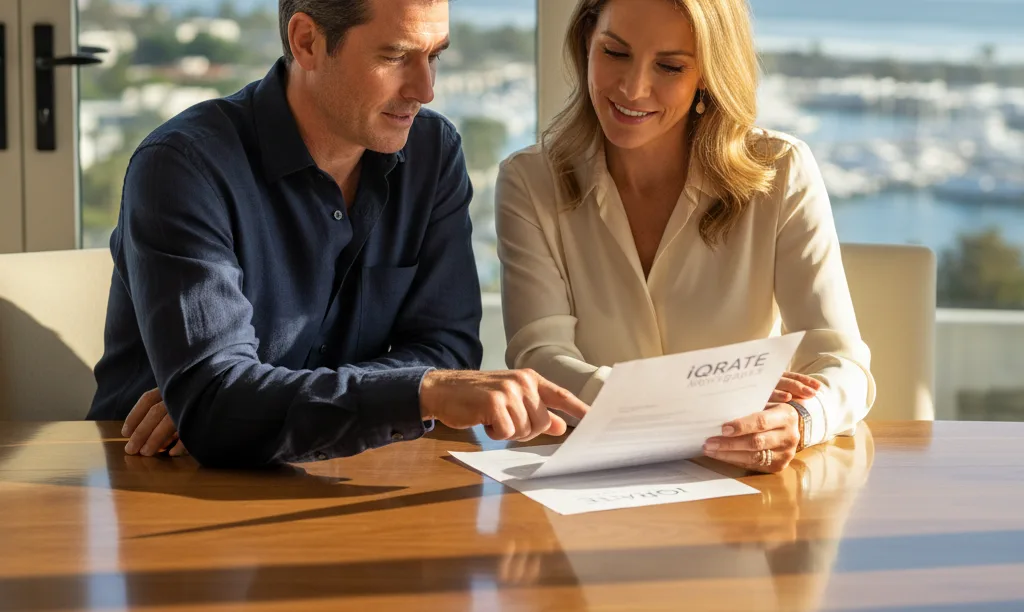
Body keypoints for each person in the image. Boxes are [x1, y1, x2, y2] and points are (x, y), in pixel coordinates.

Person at [87, 0, 588, 468]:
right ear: (306, 41)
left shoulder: (432, 154)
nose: (425, 89)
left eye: (434, 56)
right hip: (159, 477)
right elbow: (218, 405)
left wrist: (257, 403)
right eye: (394, 56)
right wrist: (417, 393)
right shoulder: (183, 168)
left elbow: (448, 350)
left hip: (356, 471)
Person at [495, 0, 875, 474]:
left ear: (708, 74)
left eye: (670, 66)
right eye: (614, 53)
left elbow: (843, 366)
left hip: (738, 494)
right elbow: (539, 358)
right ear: (586, 42)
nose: (633, 88)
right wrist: (688, 403)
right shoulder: (530, 180)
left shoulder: (781, 172)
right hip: (589, 487)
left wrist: (799, 419)